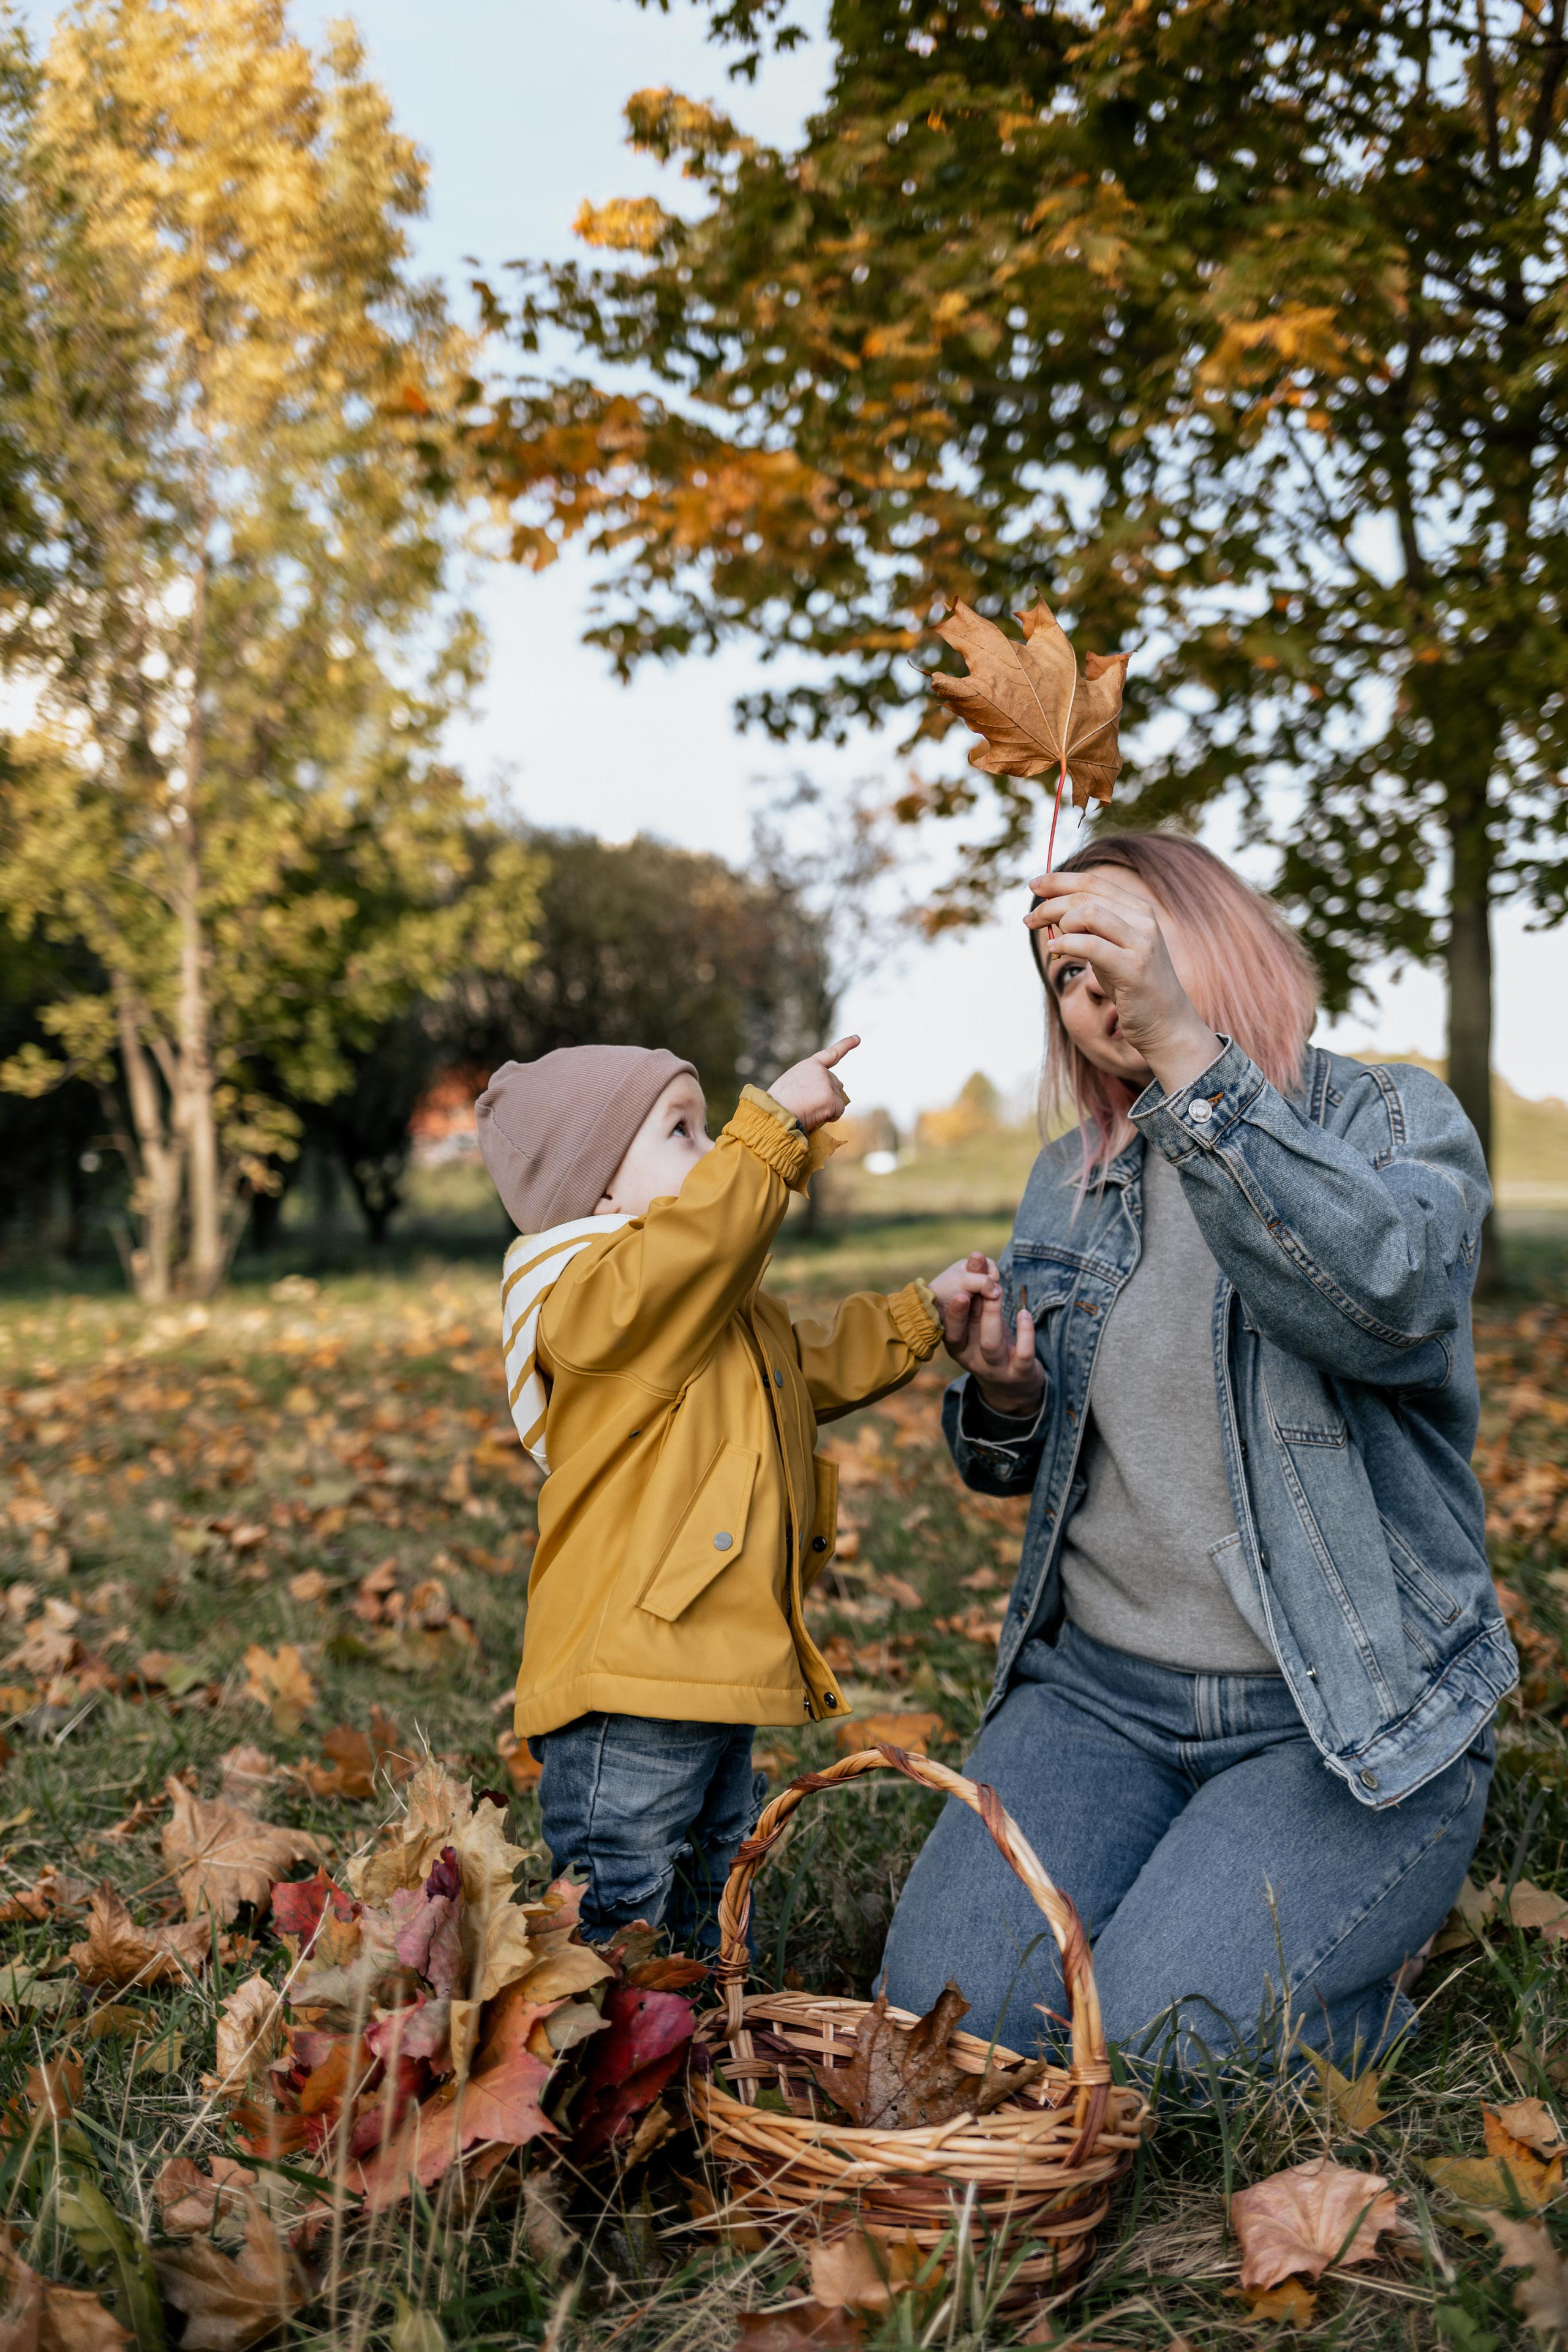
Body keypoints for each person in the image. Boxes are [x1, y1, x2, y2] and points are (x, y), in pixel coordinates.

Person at [880, 833, 1516, 2076]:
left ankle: (1333, 1980)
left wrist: (1186, 1056)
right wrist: (1006, 1395)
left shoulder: (1386, 1117)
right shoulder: (1066, 1181)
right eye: (1063, 975)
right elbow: (1018, 1467)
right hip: (1096, 1700)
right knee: (949, 2028)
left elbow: (1383, 1307)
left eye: (1116, 948)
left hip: (1335, 1715)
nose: (1092, 993)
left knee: (1160, 2051)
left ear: (1204, 936)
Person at [474, 1038, 993, 1948]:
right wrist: (772, 1132)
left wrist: (918, 1318)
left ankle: (708, 2040)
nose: (716, 1145)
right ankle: (606, 2067)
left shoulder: (711, 1304)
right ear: (598, 1194)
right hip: (629, 1681)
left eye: (712, 1127)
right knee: (621, 1893)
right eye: (684, 1130)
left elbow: (809, 1363)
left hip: (711, 1659)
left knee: (719, 1872)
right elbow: (698, 1242)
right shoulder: (592, 1306)